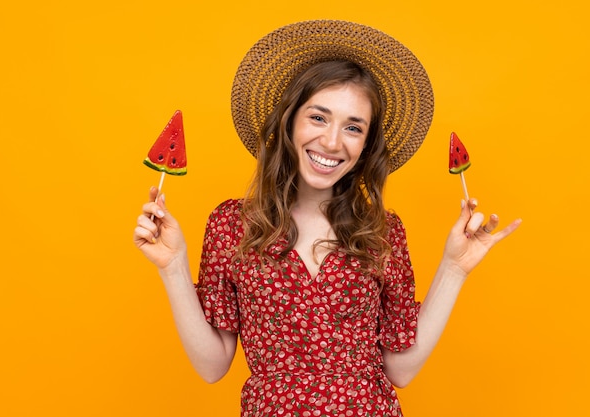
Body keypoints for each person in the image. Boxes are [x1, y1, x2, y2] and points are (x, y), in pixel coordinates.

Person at [133, 20, 521, 417]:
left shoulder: (382, 231)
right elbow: (212, 366)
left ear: (366, 144)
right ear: (289, 120)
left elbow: (400, 370)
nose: (333, 142)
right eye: (318, 117)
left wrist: (454, 269)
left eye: (353, 127)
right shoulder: (232, 224)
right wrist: (173, 266)